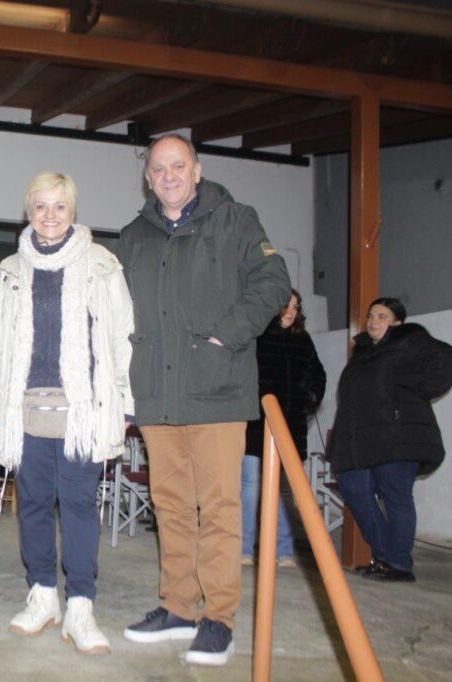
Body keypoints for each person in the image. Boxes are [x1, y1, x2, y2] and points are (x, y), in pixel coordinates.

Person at [115, 134, 290, 666]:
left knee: (217, 507)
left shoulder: (236, 220)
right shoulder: (133, 236)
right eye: (158, 168)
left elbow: (273, 282)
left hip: (216, 388)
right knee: (170, 506)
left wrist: (226, 336)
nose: (168, 176)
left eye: (178, 165)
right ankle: (177, 607)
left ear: (197, 169)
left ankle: (219, 618)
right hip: (157, 393)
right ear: (147, 178)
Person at [0, 172, 134, 654]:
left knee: (80, 506)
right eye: (40, 206)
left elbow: (124, 338)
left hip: (84, 411)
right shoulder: (9, 269)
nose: (49, 215)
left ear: (73, 211)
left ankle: (80, 605)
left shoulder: (103, 264)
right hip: (24, 411)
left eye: (59, 206)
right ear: (28, 212)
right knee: (34, 504)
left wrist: (126, 403)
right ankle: (43, 595)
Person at [329, 297, 452, 583]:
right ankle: (385, 556)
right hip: (363, 437)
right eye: (371, 315)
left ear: (397, 322)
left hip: (399, 435)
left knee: (395, 494)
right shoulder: (363, 353)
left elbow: (445, 356)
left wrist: (420, 389)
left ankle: (398, 563)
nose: (373, 321)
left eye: (382, 316)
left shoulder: (409, 341)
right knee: (354, 488)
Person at [242, 289, 326, 566]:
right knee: (251, 486)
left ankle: (285, 550)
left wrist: (311, 397)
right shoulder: (256, 336)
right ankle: (245, 548)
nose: (291, 312)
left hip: (292, 425)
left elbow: (319, 374)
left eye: (295, 307)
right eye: (286, 306)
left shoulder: (303, 339)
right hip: (257, 424)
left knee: (284, 490)